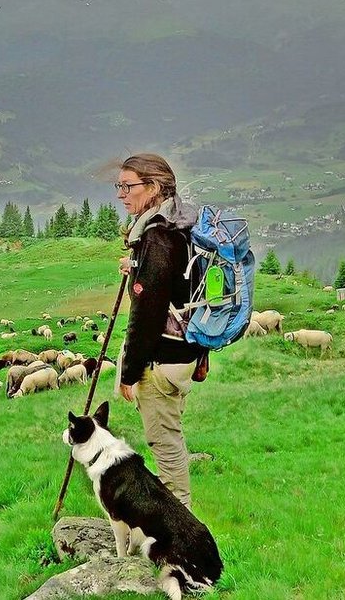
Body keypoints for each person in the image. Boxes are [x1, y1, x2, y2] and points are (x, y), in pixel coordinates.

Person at [114, 152, 206, 508]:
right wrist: (137, 265)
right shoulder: (179, 225)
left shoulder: (158, 236)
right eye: (119, 186)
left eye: (128, 186)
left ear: (153, 188)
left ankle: (181, 529)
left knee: (166, 450)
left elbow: (147, 315)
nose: (121, 194)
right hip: (183, 354)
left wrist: (129, 372)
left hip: (161, 362)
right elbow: (176, 283)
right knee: (172, 438)